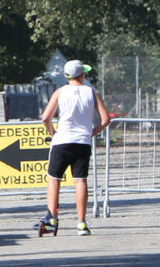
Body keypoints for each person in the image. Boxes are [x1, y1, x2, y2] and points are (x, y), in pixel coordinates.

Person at [37, 60, 110, 236]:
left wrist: (53, 132)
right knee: (80, 180)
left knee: (54, 178)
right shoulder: (91, 92)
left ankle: (52, 219)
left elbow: (45, 117)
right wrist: (92, 132)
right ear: (82, 75)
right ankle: (81, 223)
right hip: (82, 141)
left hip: (62, 139)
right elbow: (106, 119)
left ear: (66, 75)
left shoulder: (60, 92)